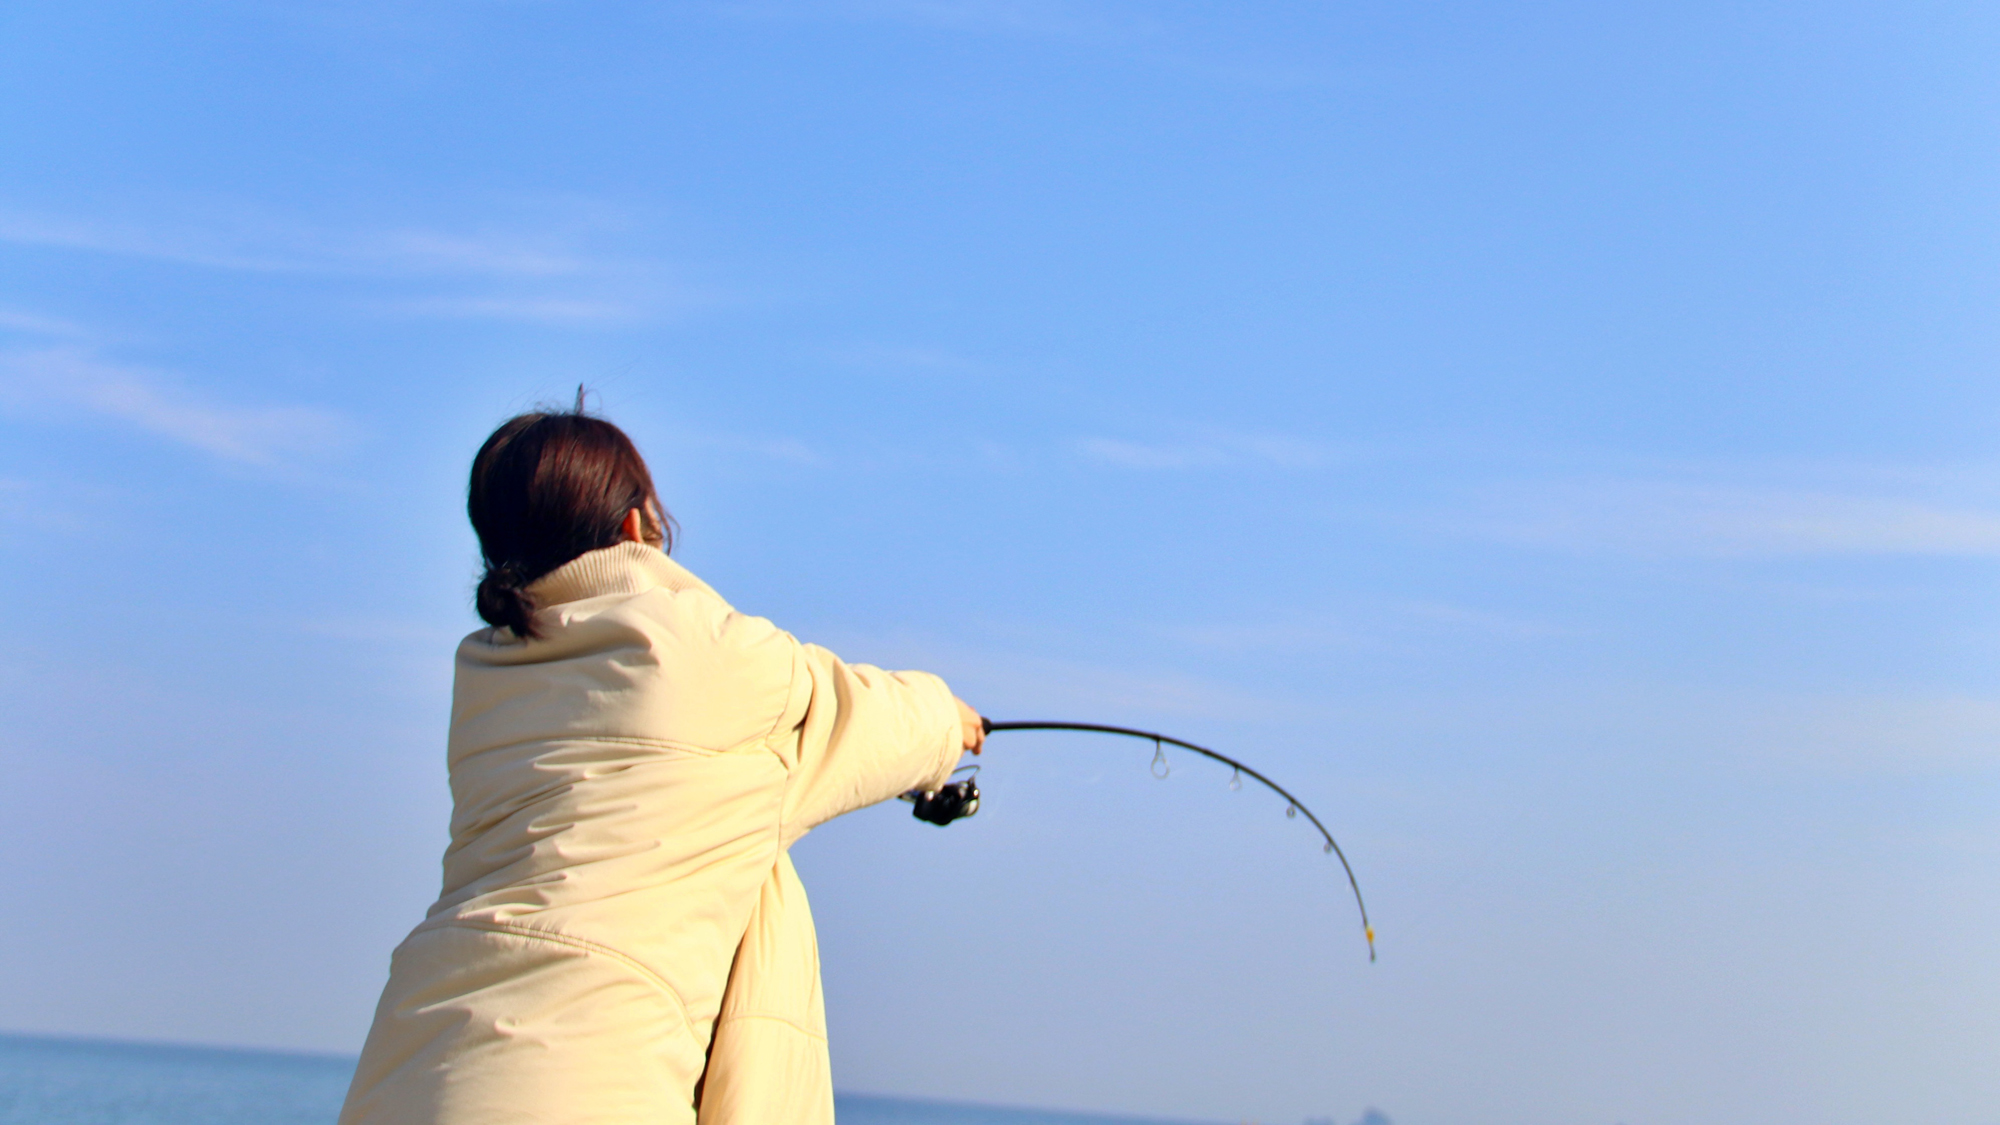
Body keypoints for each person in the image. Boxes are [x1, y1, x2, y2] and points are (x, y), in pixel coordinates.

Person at [339, 409, 985, 1125]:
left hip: (404, 1067)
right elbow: (866, 717)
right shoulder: (709, 657)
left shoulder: (490, 677)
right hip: (581, 1081)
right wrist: (949, 718)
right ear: (634, 528)